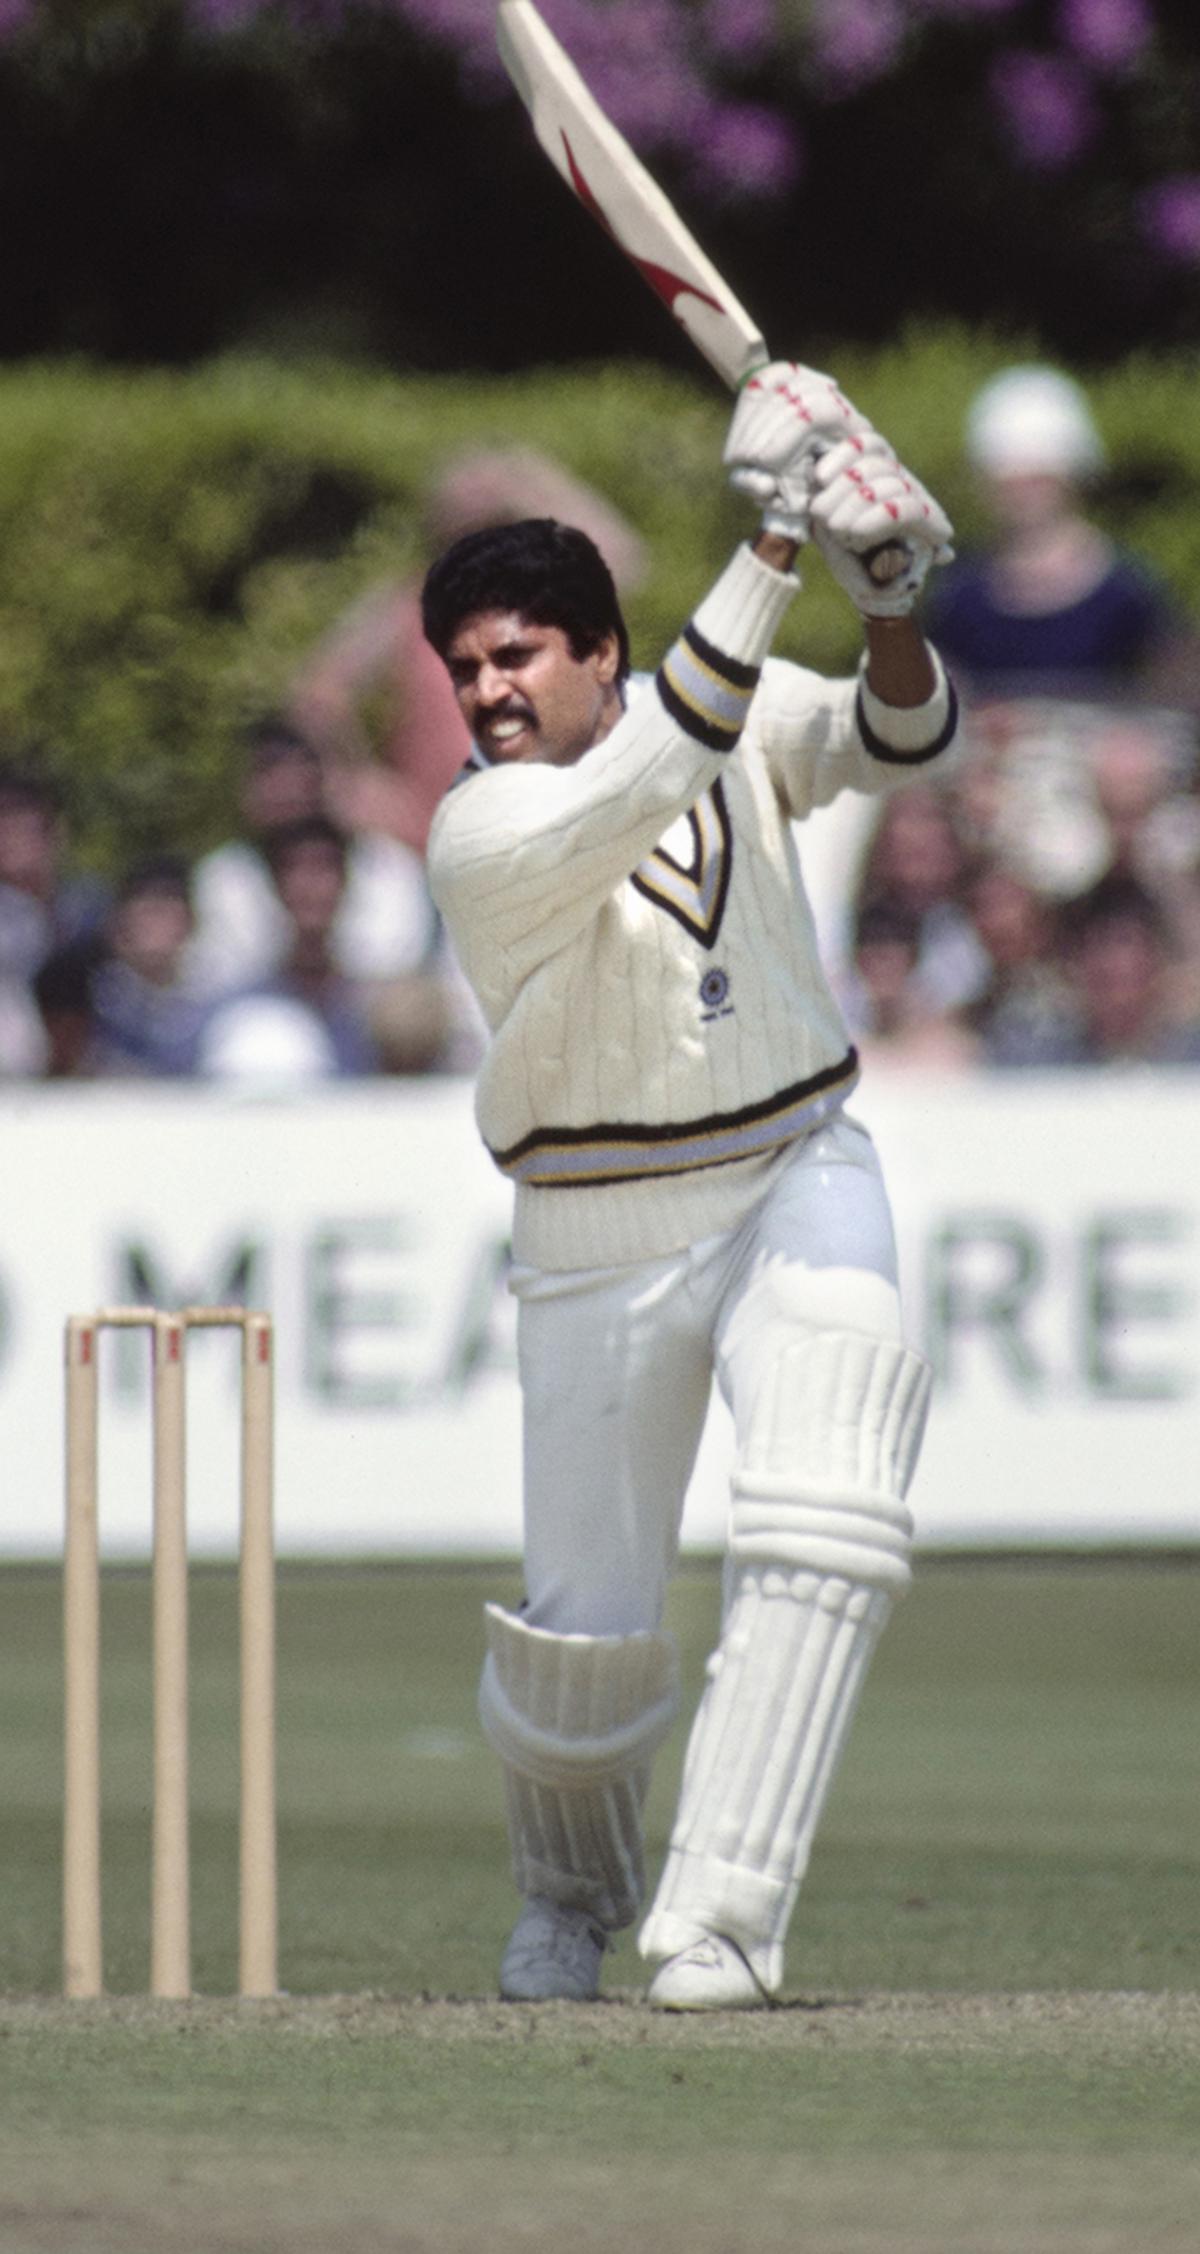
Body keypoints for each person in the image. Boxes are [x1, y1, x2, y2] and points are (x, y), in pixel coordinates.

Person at [421, 364, 960, 2010]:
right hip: (594, 1229)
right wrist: (784, 531)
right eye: (468, 667)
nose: (491, 689)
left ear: (600, 649)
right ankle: (571, 1898)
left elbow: (900, 737)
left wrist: (888, 599)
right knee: (584, 1643)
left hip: (795, 1157)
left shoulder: (712, 699)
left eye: (520, 653)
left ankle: (722, 1915)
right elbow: (659, 769)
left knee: (832, 1520)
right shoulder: (484, 829)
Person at [288, 448, 648, 858]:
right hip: (432, 842)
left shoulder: (541, 601)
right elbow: (317, 692)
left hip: (536, 833)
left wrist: (523, 480)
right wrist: (355, 784)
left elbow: (625, 558)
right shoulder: (410, 605)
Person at [924, 364, 1197, 707]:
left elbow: (1175, 703)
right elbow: (934, 706)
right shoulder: (958, 597)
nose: (1023, 495)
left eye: (1038, 479)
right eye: (1009, 482)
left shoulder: (1130, 594)